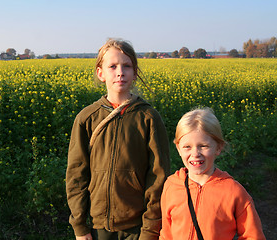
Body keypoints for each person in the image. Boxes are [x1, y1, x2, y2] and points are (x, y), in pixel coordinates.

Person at [66, 38, 170, 240]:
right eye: (112, 66)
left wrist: (150, 229)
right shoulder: (86, 118)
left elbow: (158, 177)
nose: (120, 72)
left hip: (137, 227)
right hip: (98, 227)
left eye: (127, 66)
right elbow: (76, 175)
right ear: (101, 73)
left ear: (135, 73)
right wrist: (80, 226)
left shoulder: (148, 117)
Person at [159, 107, 266, 240]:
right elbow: (166, 234)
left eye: (203, 146)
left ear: (218, 147)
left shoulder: (234, 192)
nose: (195, 154)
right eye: (187, 147)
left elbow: (253, 236)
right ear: (178, 148)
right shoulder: (171, 186)